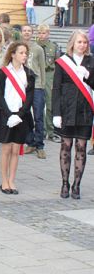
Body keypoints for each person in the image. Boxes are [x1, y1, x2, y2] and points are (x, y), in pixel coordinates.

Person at [53, 31, 94, 199]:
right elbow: (56, 88)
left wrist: (89, 76)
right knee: (66, 147)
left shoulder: (91, 61)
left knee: (81, 148)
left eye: (84, 42)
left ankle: (77, 185)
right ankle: (64, 183)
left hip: (84, 109)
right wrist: (56, 113)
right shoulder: (63, 62)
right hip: (67, 109)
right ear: (72, 43)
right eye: (79, 42)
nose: (82, 45)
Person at [0, 42, 35, 195]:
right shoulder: (3, 73)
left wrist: (19, 114)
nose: (24, 55)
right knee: (6, 149)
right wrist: (8, 114)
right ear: (12, 54)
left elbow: (29, 97)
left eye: (26, 53)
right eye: (21, 53)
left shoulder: (29, 74)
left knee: (16, 149)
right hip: (6, 115)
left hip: (21, 115)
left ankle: (12, 180)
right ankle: (4, 180)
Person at [21, 25, 46, 159]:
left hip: (36, 86)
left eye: (29, 31)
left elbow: (42, 67)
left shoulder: (38, 49)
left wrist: (42, 85)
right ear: (21, 33)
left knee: (38, 115)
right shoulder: (18, 48)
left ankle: (40, 145)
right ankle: (30, 141)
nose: (26, 33)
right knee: (25, 114)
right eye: (24, 30)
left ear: (32, 33)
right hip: (23, 85)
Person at [36, 24, 60, 144]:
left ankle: (50, 131)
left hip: (50, 76)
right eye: (40, 33)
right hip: (38, 76)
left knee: (50, 104)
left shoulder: (53, 46)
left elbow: (57, 63)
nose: (42, 35)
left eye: (44, 33)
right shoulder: (34, 47)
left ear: (48, 33)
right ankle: (40, 130)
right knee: (38, 104)